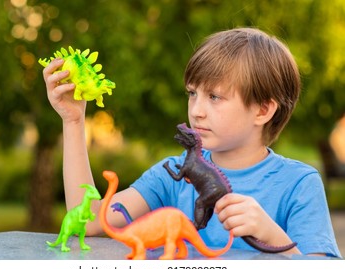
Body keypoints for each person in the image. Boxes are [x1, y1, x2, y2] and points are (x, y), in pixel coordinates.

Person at [43, 27, 341, 257]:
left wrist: (274, 236)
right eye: (192, 93)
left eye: (214, 97)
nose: (196, 111)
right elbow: (90, 223)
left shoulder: (299, 183)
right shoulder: (171, 174)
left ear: (263, 110)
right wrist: (73, 122)